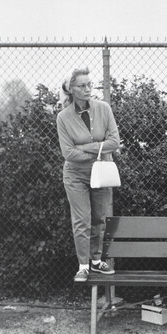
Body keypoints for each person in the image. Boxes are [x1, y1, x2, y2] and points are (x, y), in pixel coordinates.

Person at [56, 67, 121, 282]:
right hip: (76, 175)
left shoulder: (104, 109)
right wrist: (98, 150)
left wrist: (85, 147)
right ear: (71, 89)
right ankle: (83, 266)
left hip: (101, 173)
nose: (87, 89)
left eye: (89, 85)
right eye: (82, 86)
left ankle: (96, 261)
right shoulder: (63, 118)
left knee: (99, 219)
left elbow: (114, 142)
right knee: (82, 220)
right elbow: (68, 153)